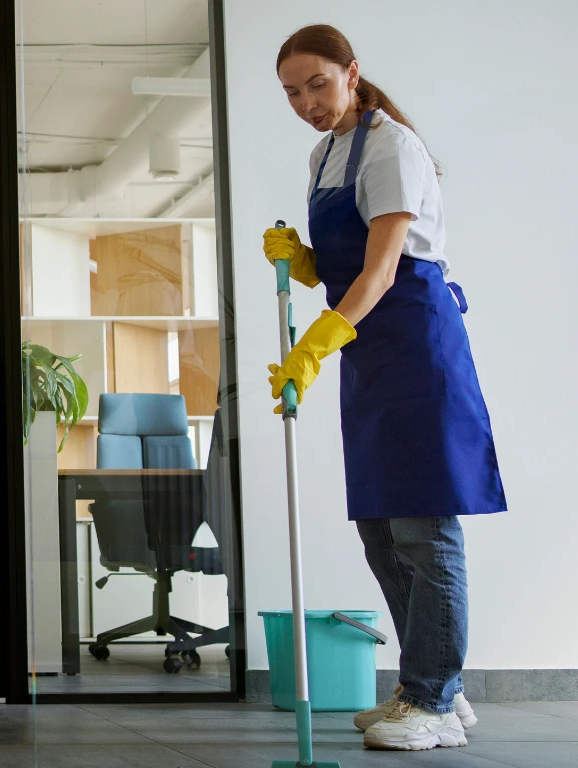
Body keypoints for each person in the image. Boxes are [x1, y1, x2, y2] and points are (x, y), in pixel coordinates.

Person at [263, 25, 506, 751]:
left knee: (425, 529)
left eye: (318, 84)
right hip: (369, 350)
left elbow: (385, 268)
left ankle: (434, 699)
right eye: (292, 92)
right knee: (380, 530)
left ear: (351, 73)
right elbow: (348, 259)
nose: (307, 102)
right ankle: (427, 686)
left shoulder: (391, 144)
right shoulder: (326, 151)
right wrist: (305, 263)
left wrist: (315, 344)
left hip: (415, 344)